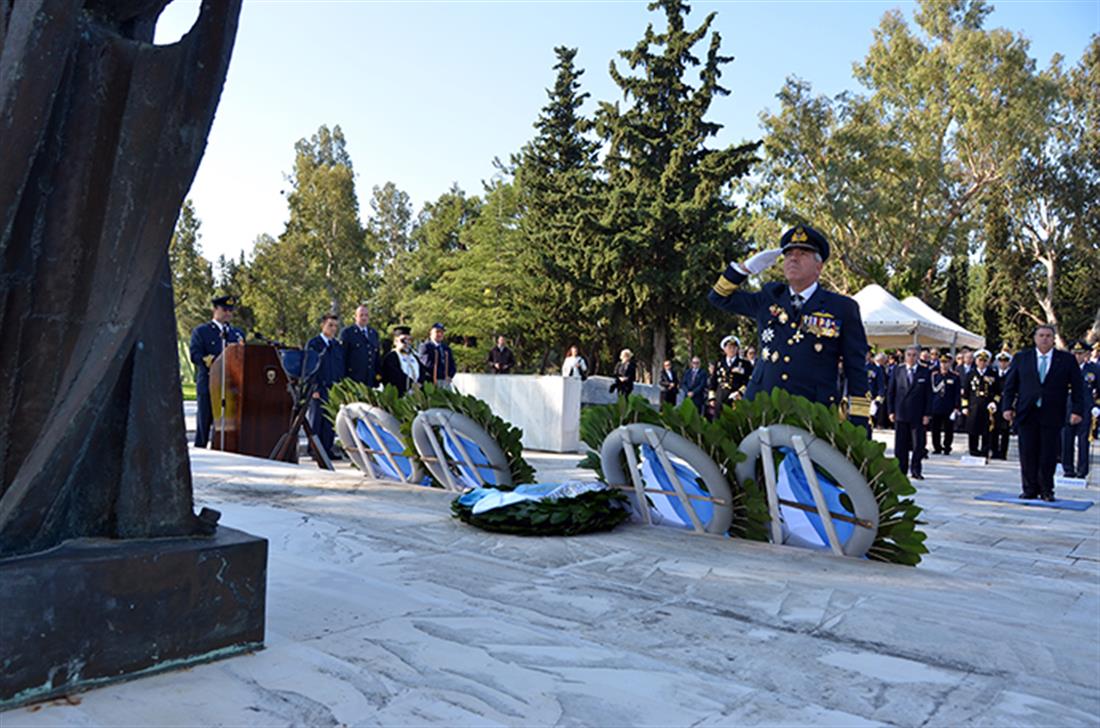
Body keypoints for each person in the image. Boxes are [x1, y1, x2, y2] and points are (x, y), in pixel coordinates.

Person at [707, 224, 871, 427]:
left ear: (819, 266)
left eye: (803, 253)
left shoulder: (842, 308)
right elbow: (718, 297)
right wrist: (744, 269)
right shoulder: (769, 297)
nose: (793, 258)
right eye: (789, 254)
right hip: (762, 410)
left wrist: (859, 425)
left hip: (813, 415)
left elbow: (856, 371)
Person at [1003, 325, 1086, 501]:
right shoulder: (1022, 358)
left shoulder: (1065, 360)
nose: (1045, 339)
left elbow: (1078, 388)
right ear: (1035, 338)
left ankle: (1047, 489)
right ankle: (1029, 488)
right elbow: (1010, 386)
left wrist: (1077, 410)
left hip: (1052, 413)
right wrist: (1007, 407)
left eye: (1048, 336)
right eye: (1041, 335)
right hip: (1027, 412)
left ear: (1053, 339)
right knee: (1027, 452)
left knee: (1048, 454)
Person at [189, 295, 245, 448]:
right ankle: (200, 450)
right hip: (209, 383)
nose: (228, 313)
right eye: (225, 310)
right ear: (215, 310)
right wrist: (213, 362)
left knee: (226, 426)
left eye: (231, 311)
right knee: (204, 422)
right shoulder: (202, 332)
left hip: (230, 386)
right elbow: (196, 355)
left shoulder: (237, 334)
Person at [887, 345, 933, 479]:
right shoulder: (898, 370)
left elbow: (929, 395)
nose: (911, 358)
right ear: (905, 356)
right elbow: (891, 392)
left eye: (914, 355)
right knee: (901, 445)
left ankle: (916, 470)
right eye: (909, 355)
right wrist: (891, 411)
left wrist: (927, 414)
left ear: (918, 356)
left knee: (918, 444)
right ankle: (901, 471)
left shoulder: (925, 371)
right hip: (901, 412)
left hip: (918, 414)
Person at [307, 314, 346, 461]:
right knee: (316, 420)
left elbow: (340, 367)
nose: (333, 329)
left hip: (333, 388)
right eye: (330, 325)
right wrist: (313, 388)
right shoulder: (314, 344)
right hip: (319, 387)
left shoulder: (336, 346)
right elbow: (310, 367)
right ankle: (314, 450)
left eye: (335, 326)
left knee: (329, 421)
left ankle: (326, 449)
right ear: (322, 325)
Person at [1062, 340, 1100, 479]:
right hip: (1067, 408)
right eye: (1075, 353)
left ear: (1086, 354)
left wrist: (1097, 405)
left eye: (1080, 353)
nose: (1077, 356)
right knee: (1066, 439)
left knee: (1084, 440)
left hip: (1086, 409)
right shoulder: (1065, 368)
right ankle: (1068, 469)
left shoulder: (1094, 369)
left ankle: (1082, 470)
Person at [961, 350, 999, 458]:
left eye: (984, 360)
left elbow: (998, 392)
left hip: (987, 407)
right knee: (973, 429)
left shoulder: (993, 374)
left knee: (986, 430)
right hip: (974, 406)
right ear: (976, 361)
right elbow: (966, 392)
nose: (982, 363)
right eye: (980, 360)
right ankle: (973, 450)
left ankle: (985, 451)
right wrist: (964, 406)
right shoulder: (970, 374)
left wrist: (994, 402)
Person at [341, 304, 382, 388]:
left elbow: (376, 358)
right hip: (354, 380)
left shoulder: (373, 333)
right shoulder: (348, 333)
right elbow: (343, 357)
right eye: (361, 315)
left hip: (370, 380)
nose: (364, 318)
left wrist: (378, 378)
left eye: (366, 315)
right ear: (355, 317)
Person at [930, 354, 961, 455]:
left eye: (946, 362)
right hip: (936, 406)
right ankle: (937, 447)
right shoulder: (934, 376)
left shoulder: (955, 377)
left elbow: (957, 393)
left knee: (949, 429)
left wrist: (956, 407)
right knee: (935, 429)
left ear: (950, 363)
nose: (944, 365)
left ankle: (947, 446)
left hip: (949, 407)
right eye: (942, 362)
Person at [711, 335, 753, 408]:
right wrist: (711, 398)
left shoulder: (745, 364)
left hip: (736, 397)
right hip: (720, 397)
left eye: (734, 347)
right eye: (729, 347)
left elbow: (749, 380)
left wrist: (740, 392)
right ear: (724, 349)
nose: (732, 350)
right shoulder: (719, 363)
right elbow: (713, 381)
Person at [381, 326, 421, 396]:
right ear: (396, 341)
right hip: (400, 393)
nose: (407, 343)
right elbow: (395, 375)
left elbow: (422, 371)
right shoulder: (391, 357)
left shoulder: (414, 357)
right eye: (403, 340)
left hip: (416, 393)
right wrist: (411, 384)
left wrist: (420, 383)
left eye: (409, 340)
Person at [418, 322, 456, 388]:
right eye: (437, 332)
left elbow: (452, 364)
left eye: (442, 332)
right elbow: (426, 365)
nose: (439, 334)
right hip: (431, 381)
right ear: (431, 333)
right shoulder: (426, 346)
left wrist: (450, 375)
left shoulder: (446, 348)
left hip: (445, 380)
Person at [991, 351, 1013, 460]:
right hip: (995, 404)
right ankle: (994, 451)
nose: (1003, 363)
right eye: (1001, 361)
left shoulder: (1012, 373)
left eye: (1005, 361)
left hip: (1007, 404)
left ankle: (1003, 452)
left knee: (1005, 430)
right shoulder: (994, 373)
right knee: (993, 428)